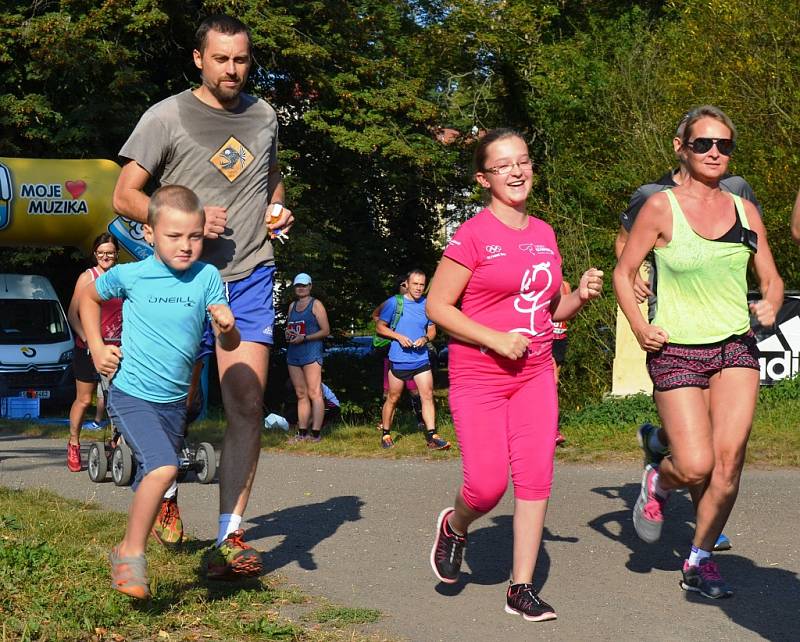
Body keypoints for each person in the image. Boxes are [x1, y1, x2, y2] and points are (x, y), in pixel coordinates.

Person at [112, 14, 294, 578]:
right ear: (199, 59)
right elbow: (124, 196)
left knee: (246, 402)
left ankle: (228, 538)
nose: (232, 69)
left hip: (247, 276)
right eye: (221, 59)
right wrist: (186, 222)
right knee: (178, 403)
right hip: (178, 282)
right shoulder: (165, 116)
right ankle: (162, 482)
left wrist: (279, 211)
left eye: (241, 59)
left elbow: (271, 182)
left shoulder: (265, 117)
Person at [426, 128, 603, 621]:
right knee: (485, 486)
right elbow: (438, 306)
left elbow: (549, 311)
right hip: (479, 373)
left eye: (522, 161)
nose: (517, 171)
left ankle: (520, 588)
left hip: (535, 371)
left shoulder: (545, 233)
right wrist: (494, 338)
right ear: (484, 178)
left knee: (535, 477)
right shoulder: (473, 233)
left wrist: (580, 298)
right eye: (503, 165)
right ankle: (456, 526)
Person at [613, 105, 782, 599]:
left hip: (735, 346)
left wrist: (771, 298)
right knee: (694, 466)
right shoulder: (660, 207)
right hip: (678, 350)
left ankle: (699, 559)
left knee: (728, 466)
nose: (714, 153)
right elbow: (625, 273)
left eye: (724, 145)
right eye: (703, 143)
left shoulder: (744, 209)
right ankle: (659, 482)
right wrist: (641, 327)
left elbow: (769, 275)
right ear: (681, 148)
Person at [81, 185, 240, 599]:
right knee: (165, 467)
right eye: (174, 236)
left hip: (173, 402)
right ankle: (129, 554)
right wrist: (98, 348)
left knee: (157, 474)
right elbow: (87, 298)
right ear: (149, 234)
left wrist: (228, 327)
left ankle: (141, 532)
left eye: (194, 236)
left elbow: (229, 346)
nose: (186, 246)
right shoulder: (132, 273)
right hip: (130, 392)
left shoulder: (207, 277)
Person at [65, 233, 123, 472]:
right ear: (94, 254)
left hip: (117, 347)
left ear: (116, 254)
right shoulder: (88, 277)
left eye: (109, 252)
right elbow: (72, 315)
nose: (105, 256)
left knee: (119, 399)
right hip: (88, 348)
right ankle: (74, 442)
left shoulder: (122, 277)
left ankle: (117, 444)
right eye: (101, 253)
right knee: (85, 399)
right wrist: (89, 339)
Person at [376, 269, 449, 450]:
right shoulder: (394, 303)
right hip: (398, 360)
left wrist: (425, 338)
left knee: (427, 396)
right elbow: (380, 327)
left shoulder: (427, 305)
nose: (418, 288)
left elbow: (432, 330)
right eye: (415, 284)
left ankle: (433, 436)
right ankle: (386, 433)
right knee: (393, 398)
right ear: (407, 284)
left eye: (422, 285)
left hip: (421, 359)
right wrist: (399, 337)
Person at [372, 276, 425, 428]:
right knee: (388, 391)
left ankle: (421, 420)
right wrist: (389, 329)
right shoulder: (392, 302)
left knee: (415, 390)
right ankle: (385, 424)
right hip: (391, 351)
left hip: (412, 354)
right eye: (402, 285)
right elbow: (376, 315)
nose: (405, 287)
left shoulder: (419, 303)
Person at [286, 273, 330, 442]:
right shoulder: (292, 306)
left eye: (304, 285)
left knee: (315, 392)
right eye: (298, 285)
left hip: (311, 352)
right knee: (300, 393)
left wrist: (305, 338)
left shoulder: (316, 304)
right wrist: (289, 334)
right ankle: (302, 433)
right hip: (294, 352)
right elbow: (291, 327)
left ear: (310, 286)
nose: (301, 288)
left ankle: (316, 433)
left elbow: (326, 330)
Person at [552, 280, 571, 446]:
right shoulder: (544, 281)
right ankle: (552, 430)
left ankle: (550, 428)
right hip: (546, 338)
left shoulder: (565, 285)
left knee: (553, 385)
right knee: (552, 381)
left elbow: (569, 311)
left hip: (561, 337)